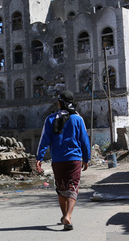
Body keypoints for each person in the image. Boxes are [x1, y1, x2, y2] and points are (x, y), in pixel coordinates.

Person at [36, 90, 91, 231]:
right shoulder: (78, 119)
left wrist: (39, 157)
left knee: (61, 188)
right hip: (74, 159)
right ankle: (68, 216)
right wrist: (86, 157)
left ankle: (64, 217)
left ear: (59, 103)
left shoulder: (50, 119)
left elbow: (44, 140)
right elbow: (84, 140)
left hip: (58, 160)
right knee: (73, 187)